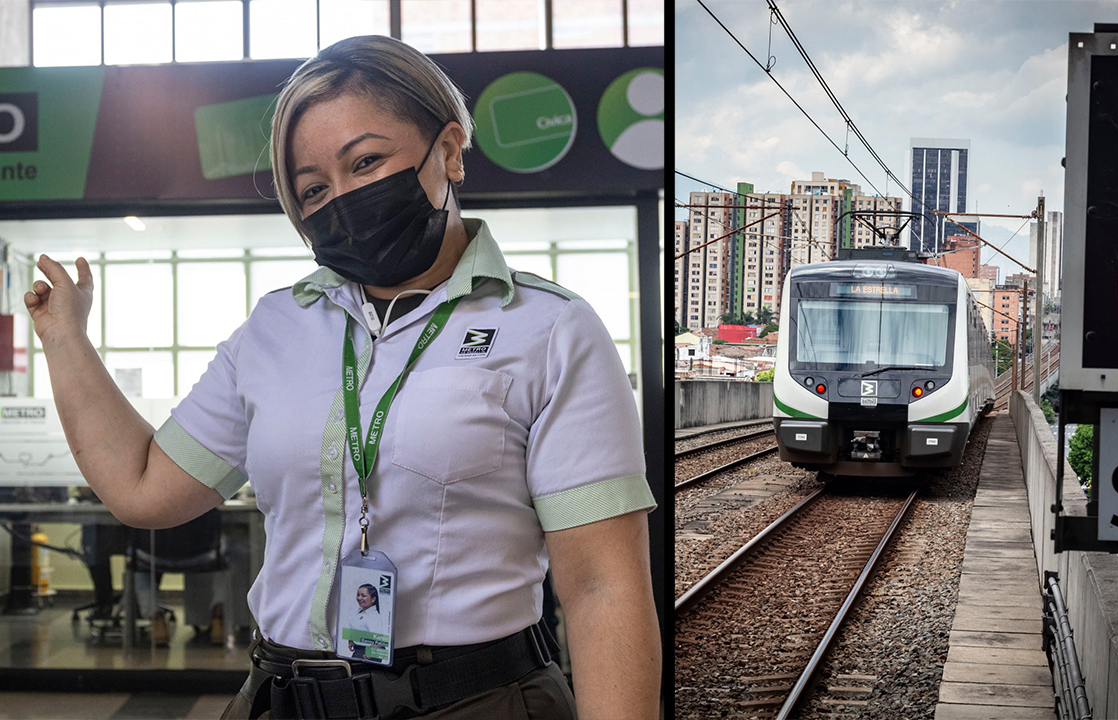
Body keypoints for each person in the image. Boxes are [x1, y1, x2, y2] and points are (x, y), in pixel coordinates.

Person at [25, 34, 660, 720]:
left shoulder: (551, 328)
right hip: (280, 698)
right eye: (314, 189)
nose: (344, 198)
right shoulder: (273, 329)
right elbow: (143, 488)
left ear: (449, 150)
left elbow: (602, 588)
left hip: (473, 700)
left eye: (366, 162)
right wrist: (65, 338)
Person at [347, 583, 387, 661]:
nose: (359, 598)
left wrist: (370, 653)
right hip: (359, 650)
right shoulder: (360, 611)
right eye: (358, 595)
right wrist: (352, 640)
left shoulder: (373, 616)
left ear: (373, 599)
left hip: (368, 652)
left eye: (363, 595)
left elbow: (379, 639)